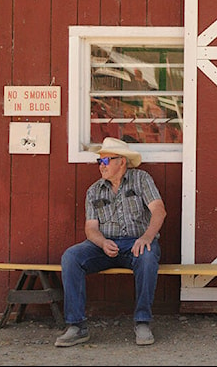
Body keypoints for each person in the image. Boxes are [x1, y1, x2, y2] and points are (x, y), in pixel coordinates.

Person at [55, 137, 167, 347]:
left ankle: (142, 322)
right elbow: (91, 228)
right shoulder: (94, 190)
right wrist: (102, 242)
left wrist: (147, 237)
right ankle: (77, 326)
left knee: (148, 255)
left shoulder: (141, 179)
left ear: (121, 161)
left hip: (136, 242)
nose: (101, 166)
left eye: (105, 161)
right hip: (104, 245)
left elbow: (159, 211)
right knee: (71, 256)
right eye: (100, 162)